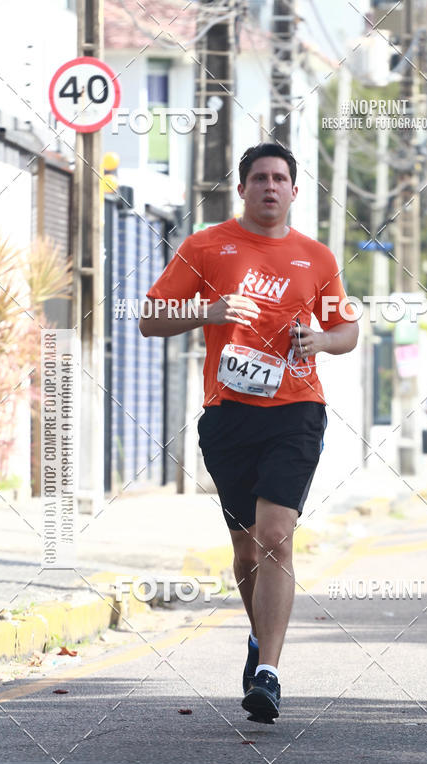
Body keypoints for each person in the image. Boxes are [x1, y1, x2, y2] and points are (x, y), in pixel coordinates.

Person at [141, 143, 358, 723]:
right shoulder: (205, 246)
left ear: (293, 190)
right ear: (242, 190)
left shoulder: (316, 256)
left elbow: (347, 331)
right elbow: (149, 319)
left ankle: (270, 674)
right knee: (245, 550)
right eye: (258, 177)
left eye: (279, 178)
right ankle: (260, 639)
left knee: (275, 536)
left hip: (296, 409)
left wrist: (321, 341)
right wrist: (206, 315)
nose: (269, 186)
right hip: (229, 414)